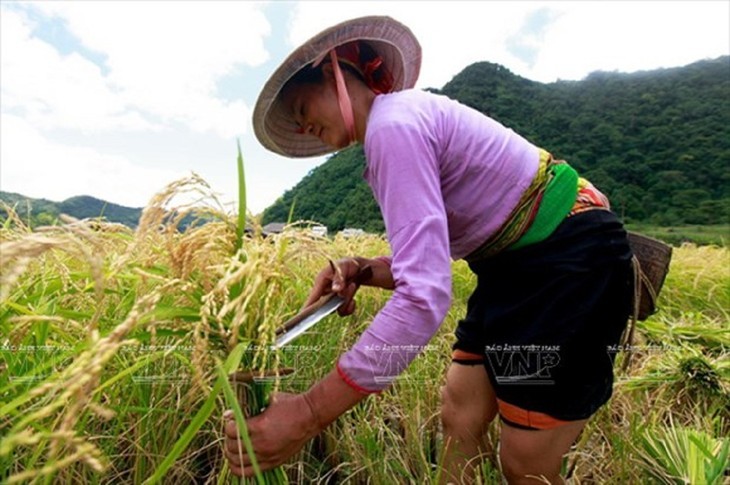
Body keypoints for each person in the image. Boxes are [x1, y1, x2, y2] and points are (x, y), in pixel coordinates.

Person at [223, 16, 633, 484]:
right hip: (507, 270)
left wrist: (309, 412)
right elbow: (428, 263)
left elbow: (424, 295)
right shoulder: (394, 131)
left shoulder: (393, 127)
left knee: (526, 465)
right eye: (295, 120)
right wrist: (362, 269)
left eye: (301, 104)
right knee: (459, 416)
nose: (303, 123)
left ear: (336, 68)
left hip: (565, 268)